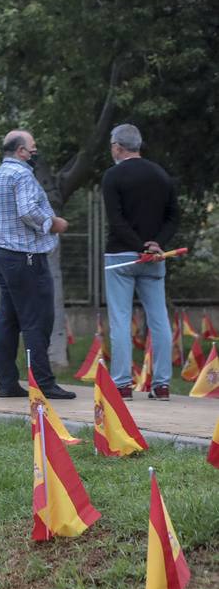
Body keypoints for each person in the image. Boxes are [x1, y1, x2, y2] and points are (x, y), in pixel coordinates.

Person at [0, 130, 74, 399]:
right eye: (32, 147)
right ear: (20, 151)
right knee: (36, 319)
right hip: (27, 257)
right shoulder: (22, 175)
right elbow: (28, 210)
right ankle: (43, 383)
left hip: (2, 257)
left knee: (8, 321)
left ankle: (7, 383)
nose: (35, 151)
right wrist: (54, 224)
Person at [101, 124, 180, 400]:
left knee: (121, 320)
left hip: (121, 257)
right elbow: (173, 217)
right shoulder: (161, 175)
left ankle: (122, 384)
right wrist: (156, 244)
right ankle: (162, 385)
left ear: (117, 147)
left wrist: (138, 246)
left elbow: (116, 219)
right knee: (159, 320)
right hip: (155, 257)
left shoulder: (112, 176)